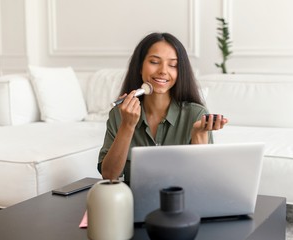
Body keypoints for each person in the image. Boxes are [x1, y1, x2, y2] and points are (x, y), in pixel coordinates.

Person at [98, 32, 228, 182]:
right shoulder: (120, 114)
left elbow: (203, 181)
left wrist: (198, 136)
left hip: (180, 202)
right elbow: (109, 175)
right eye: (154, 62)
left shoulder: (196, 114)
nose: (163, 71)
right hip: (133, 201)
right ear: (140, 66)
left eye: (173, 65)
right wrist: (127, 126)